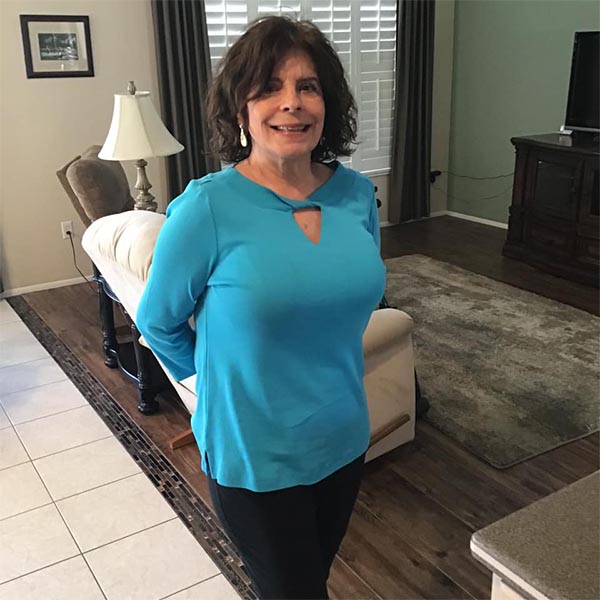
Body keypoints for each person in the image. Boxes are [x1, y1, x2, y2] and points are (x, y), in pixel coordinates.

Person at [136, 15, 386, 599]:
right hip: (254, 450)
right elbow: (158, 320)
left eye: (308, 86)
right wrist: (217, 382)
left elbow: (359, 292)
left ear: (328, 103)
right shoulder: (207, 208)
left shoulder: (355, 195)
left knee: (309, 580)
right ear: (240, 108)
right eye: (269, 87)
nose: (291, 104)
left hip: (343, 436)